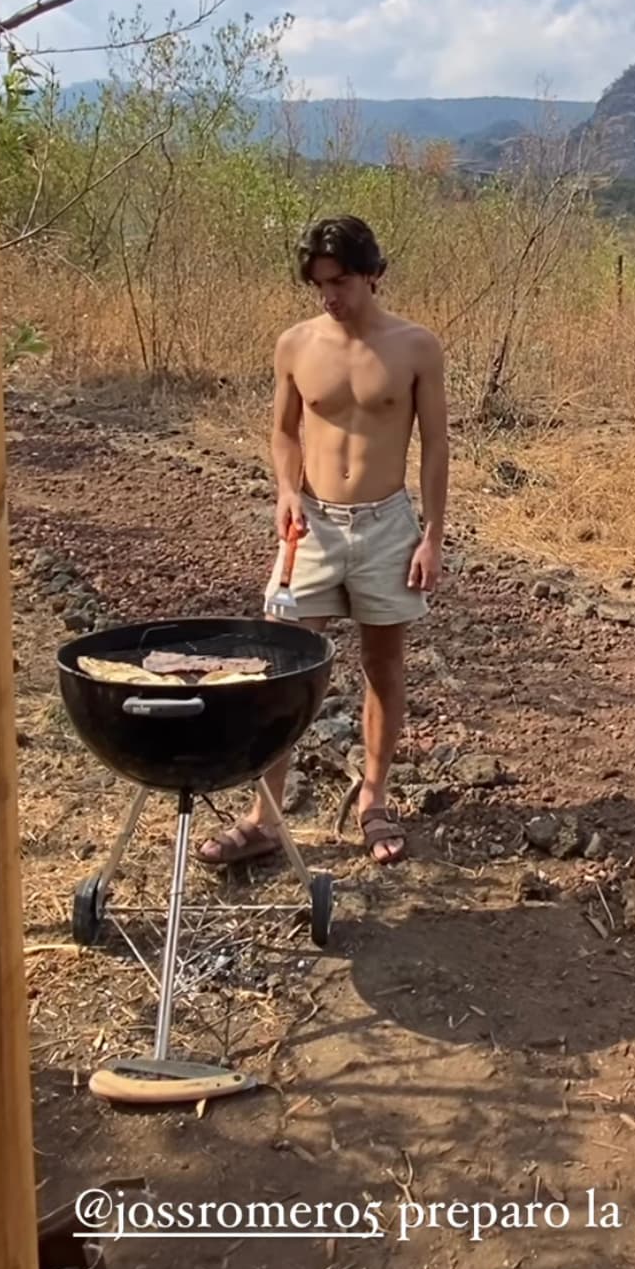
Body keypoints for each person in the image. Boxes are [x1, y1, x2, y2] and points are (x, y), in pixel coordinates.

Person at [199, 215, 447, 869]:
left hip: (388, 523)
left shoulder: (416, 347)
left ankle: (373, 802)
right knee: (282, 665)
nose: (330, 296)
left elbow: (437, 445)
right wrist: (285, 490)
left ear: (373, 272)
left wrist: (433, 537)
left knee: (383, 667)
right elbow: (284, 431)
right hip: (311, 522)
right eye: (319, 284)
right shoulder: (296, 344)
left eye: (340, 281)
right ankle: (264, 818)